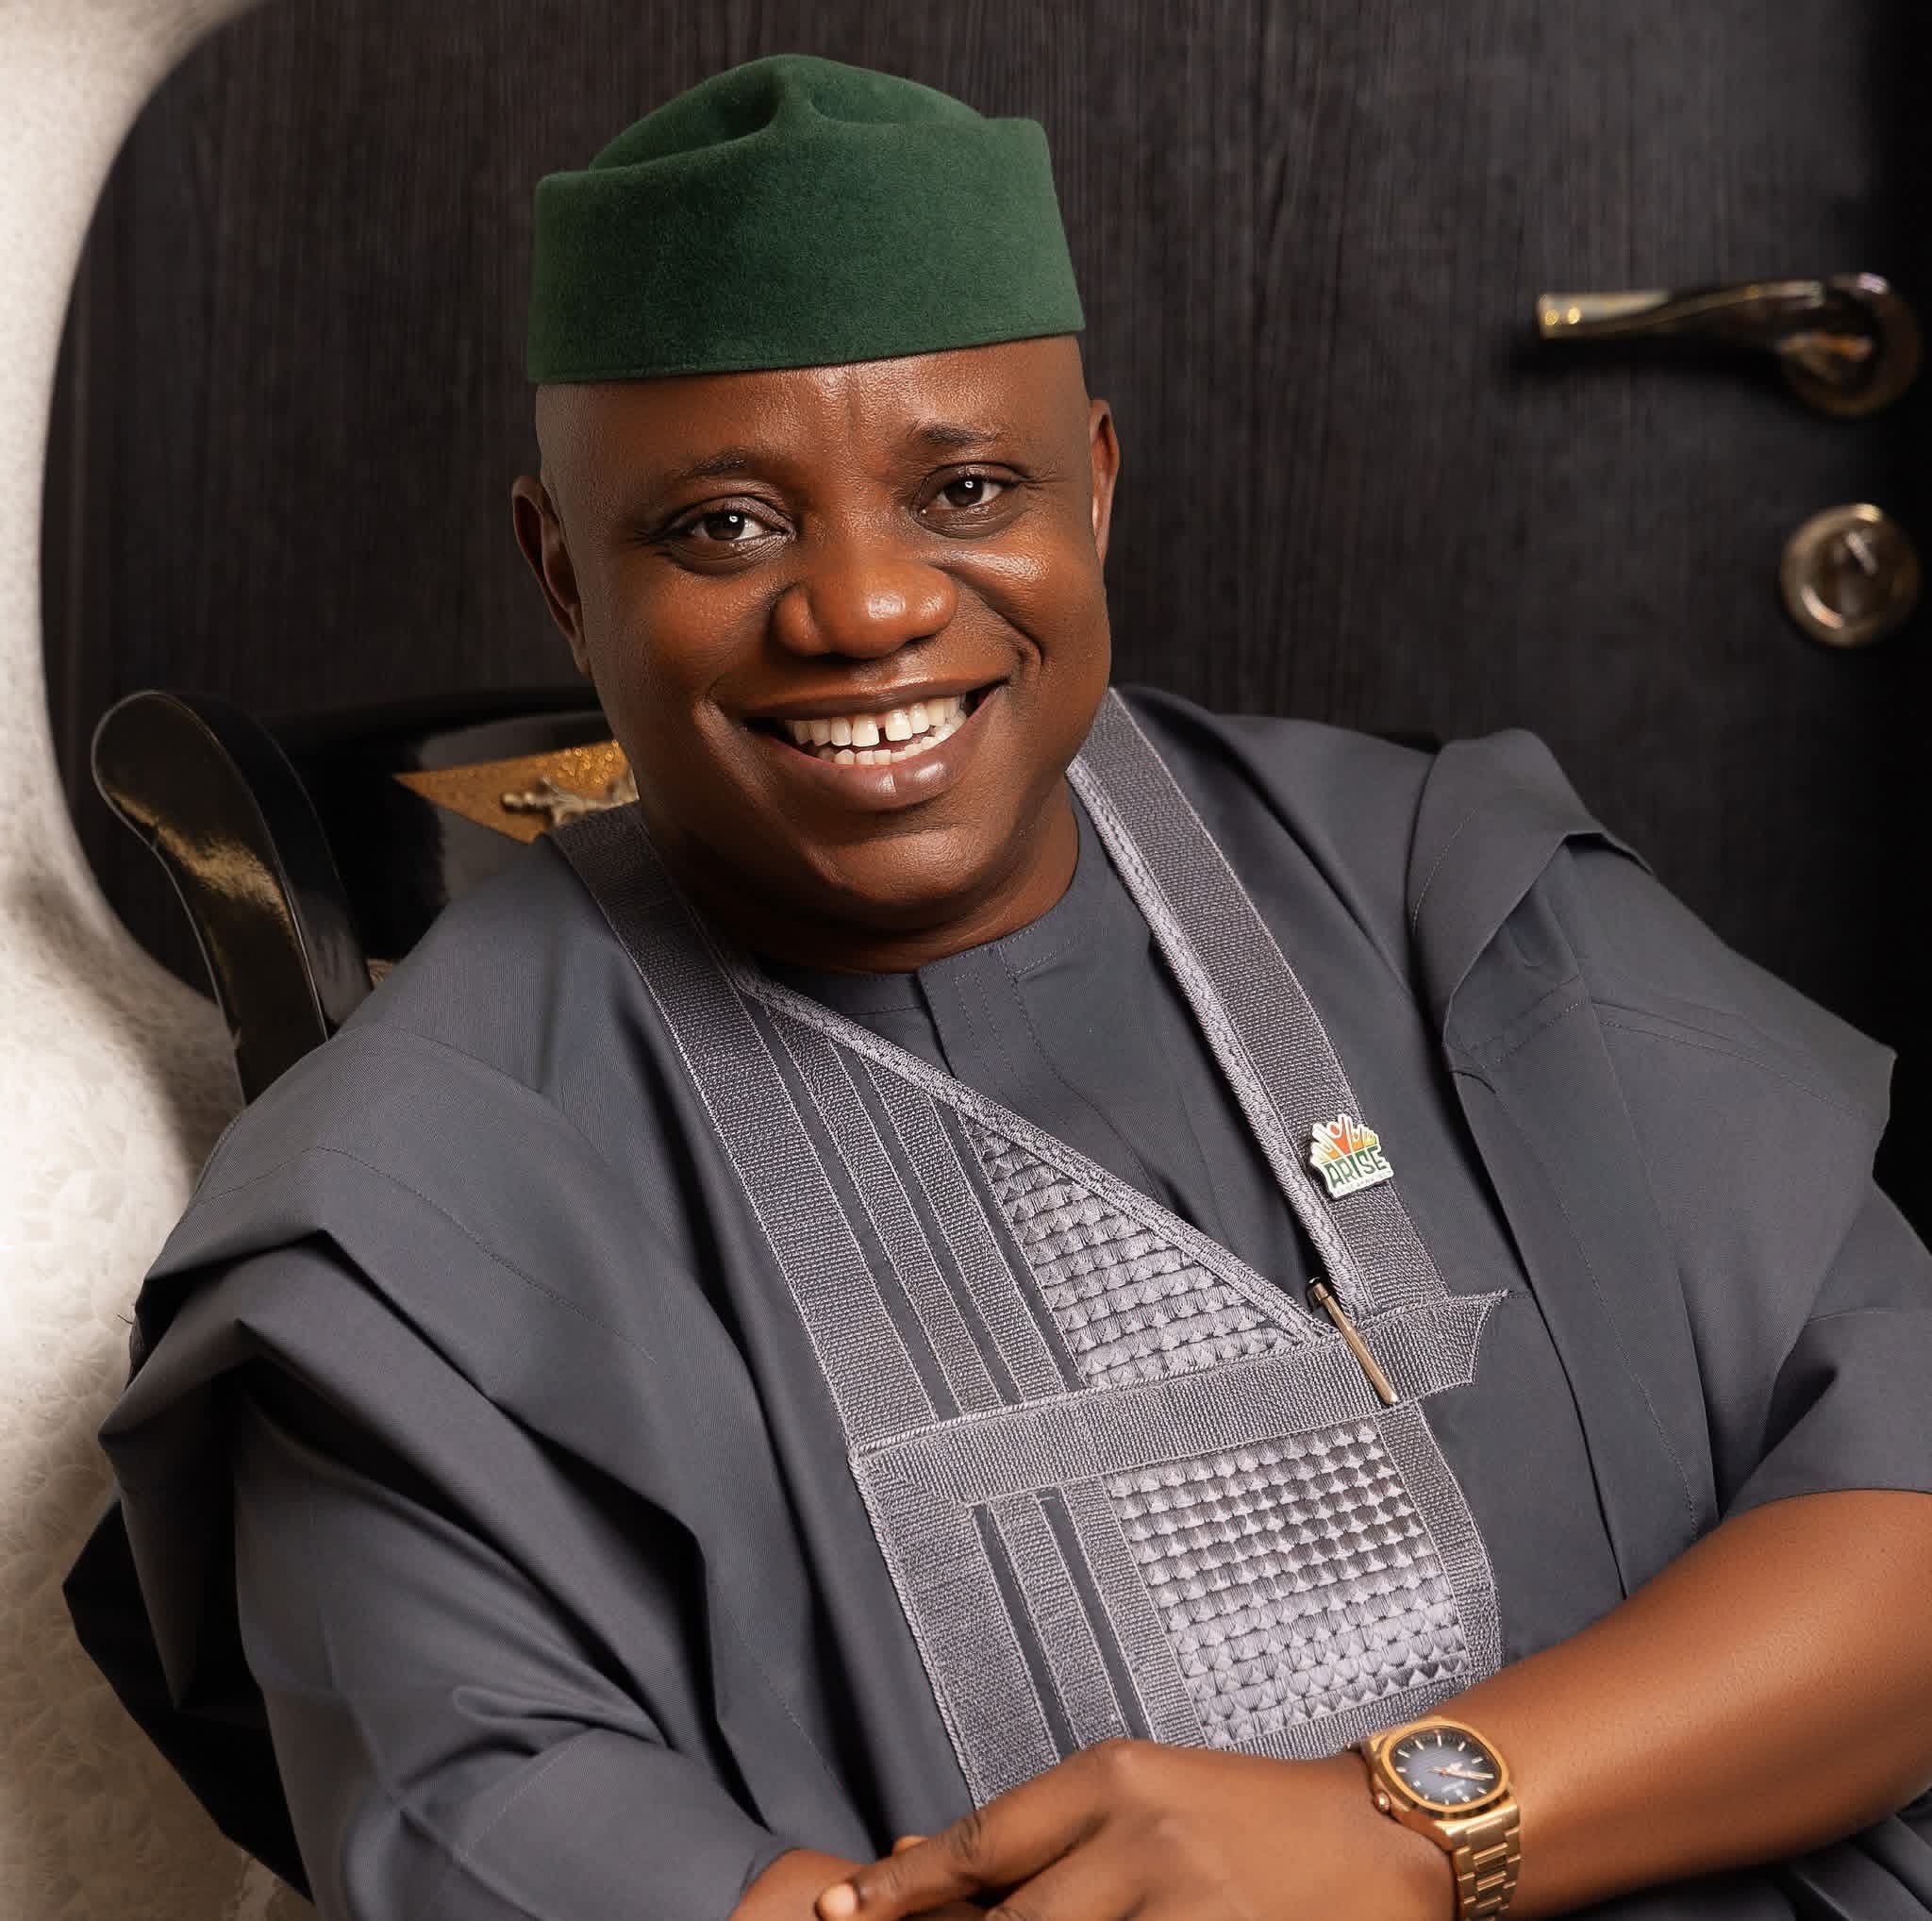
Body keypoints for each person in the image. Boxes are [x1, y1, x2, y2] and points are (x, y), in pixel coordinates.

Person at [66, 51, 1932, 1921]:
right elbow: (487, 1830)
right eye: (724, 524)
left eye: (963, 488)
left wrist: (1394, 1835)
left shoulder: (1440, 888)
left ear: (1092, 491)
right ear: (561, 570)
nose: (866, 607)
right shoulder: (399, 1217)